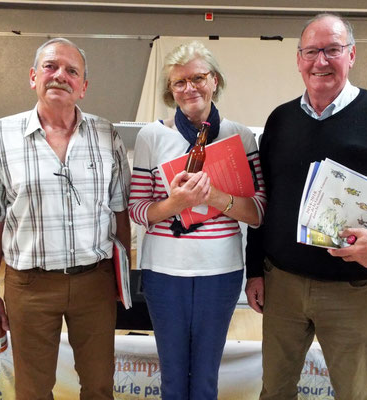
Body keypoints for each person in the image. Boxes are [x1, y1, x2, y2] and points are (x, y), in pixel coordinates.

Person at [245, 14, 367, 400]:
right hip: (282, 284)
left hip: (352, 291)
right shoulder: (279, 120)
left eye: (332, 50)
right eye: (312, 51)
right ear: (298, 59)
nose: (321, 61)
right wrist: (254, 271)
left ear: (351, 55)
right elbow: (263, 202)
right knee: (275, 390)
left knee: (353, 393)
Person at [0, 37, 131, 400]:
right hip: (29, 287)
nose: (60, 76)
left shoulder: (106, 135)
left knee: (100, 387)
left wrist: (122, 281)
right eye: (51, 67)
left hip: (94, 284)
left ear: (83, 88)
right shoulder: (1, 136)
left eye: (72, 71)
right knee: (33, 391)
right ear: (33, 77)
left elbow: (120, 213)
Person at [129, 41, 267, 400]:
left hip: (219, 273)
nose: (189, 88)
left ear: (215, 81)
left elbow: (257, 212)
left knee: (206, 379)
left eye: (198, 78)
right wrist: (175, 203)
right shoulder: (151, 136)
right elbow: (138, 210)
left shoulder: (242, 136)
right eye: (179, 82)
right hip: (164, 273)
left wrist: (215, 197)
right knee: (173, 379)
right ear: (170, 90)